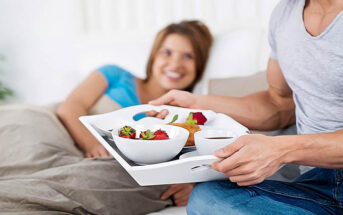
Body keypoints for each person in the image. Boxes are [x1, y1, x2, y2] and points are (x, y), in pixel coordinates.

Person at [149, 0, 343, 214]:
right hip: (315, 183)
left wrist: (282, 149)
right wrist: (197, 104)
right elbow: (279, 105)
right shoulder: (284, 14)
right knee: (208, 198)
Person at [57, 20, 213, 208]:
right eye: (167, 52)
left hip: (93, 168)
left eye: (188, 56)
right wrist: (93, 144)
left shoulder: (189, 116)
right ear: (154, 55)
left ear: (200, 65)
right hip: (58, 128)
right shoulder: (114, 74)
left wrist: (191, 185)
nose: (175, 64)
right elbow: (70, 106)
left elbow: (195, 160)